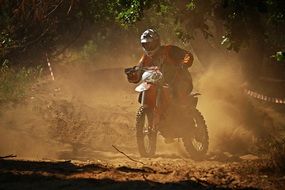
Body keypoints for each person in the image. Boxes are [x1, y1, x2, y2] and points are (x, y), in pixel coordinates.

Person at [127, 28, 194, 103]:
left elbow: (187, 55)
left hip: (180, 81)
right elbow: (138, 73)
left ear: (157, 42)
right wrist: (132, 75)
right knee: (142, 93)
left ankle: (184, 112)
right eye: (145, 45)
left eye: (150, 44)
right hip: (158, 84)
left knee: (177, 94)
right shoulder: (145, 58)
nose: (148, 47)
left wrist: (184, 64)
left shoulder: (169, 50)